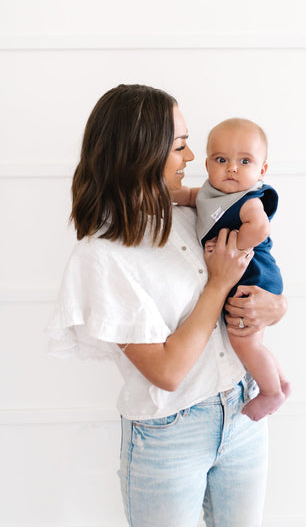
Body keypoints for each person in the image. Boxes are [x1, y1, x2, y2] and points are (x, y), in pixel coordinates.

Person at [47, 85, 287, 527]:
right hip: (170, 435)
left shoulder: (191, 215)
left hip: (241, 409)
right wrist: (218, 284)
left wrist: (275, 306)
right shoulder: (100, 258)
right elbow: (167, 371)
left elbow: (253, 279)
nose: (193, 156)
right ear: (143, 152)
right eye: (179, 145)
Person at [173, 118, 291, 421]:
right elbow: (190, 197)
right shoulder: (212, 193)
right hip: (245, 273)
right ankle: (280, 380)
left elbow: (260, 228)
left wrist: (234, 245)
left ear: (261, 171)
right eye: (221, 159)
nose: (232, 168)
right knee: (251, 338)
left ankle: (270, 392)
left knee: (244, 340)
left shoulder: (249, 201)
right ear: (208, 162)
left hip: (255, 272)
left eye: (245, 161)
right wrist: (171, 195)